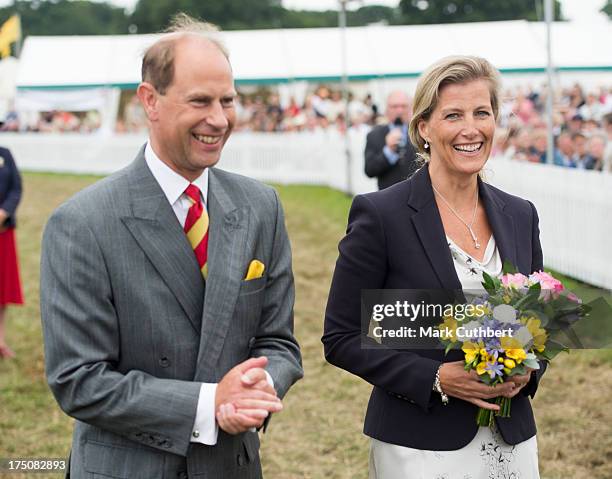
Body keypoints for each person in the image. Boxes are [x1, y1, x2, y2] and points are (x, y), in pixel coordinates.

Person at [40, 14, 303, 479]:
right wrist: (208, 404)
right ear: (150, 101)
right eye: (200, 101)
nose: (219, 120)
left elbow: (278, 341)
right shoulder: (82, 222)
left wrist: (256, 387)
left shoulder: (261, 206)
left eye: (228, 101)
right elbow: (78, 380)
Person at [323, 56, 546, 478]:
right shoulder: (381, 214)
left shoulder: (521, 214)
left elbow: (538, 322)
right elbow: (341, 337)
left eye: (482, 113)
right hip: (418, 445)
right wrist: (437, 377)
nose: (470, 128)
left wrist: (526, 372)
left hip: (511, 439)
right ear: (424, 128)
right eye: (453, 115)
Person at [364, 91, 418, 190]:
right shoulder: (374, 135)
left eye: (404, 106)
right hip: (387, 198)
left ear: (411, 109)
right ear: (386, 110)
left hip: (417, 195)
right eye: (394, 106)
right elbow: (369, 170)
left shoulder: (420, 133)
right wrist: (388, 151)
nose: (399, 111)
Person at [0, 146, 24, 359]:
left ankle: (0, 339)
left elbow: (16, 188)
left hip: (3, 231)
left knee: (2, 290)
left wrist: (4, 211)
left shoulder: (5, 154)